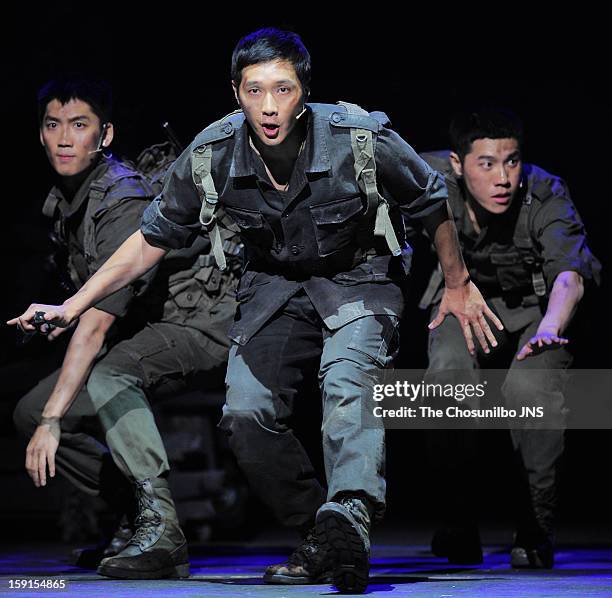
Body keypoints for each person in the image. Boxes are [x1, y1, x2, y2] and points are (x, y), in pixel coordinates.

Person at [9, 30, 500, 593]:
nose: (269, 106)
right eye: (254, 90)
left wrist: (457, 283)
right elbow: (151, 238)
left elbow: (431, 198)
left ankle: (352, 510)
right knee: (245, 414)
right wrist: (73, 305)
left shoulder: (357, 137)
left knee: (348, 381)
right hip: (273, 286)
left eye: (283, 89)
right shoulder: (212, 152)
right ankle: (322, 530)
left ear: (305, 92)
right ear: (236, 93)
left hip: (358, 277)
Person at [11, 75, 240, 580]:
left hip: (199, 326)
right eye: (54, 125)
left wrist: (55, 417)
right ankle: (134, 514)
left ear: (105, 135)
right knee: (30, 412)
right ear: (40, 134)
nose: (65, 138)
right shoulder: (65, 200)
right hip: (145, 331)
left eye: (79, 125)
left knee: (95, 383)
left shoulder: (121, 198)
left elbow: (95, 323)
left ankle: (160, 527)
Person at [418, 107, 601, 568]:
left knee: (531, 391)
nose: (503, 177)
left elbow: (570, 276)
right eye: (487, 164)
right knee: (446, 382)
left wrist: (550, 328)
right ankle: (459, 521)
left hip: (534, 313)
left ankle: (535, 526)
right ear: (459, 165)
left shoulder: (545, 193)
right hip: (462, 303)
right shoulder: (429, 177)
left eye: (512, 161)